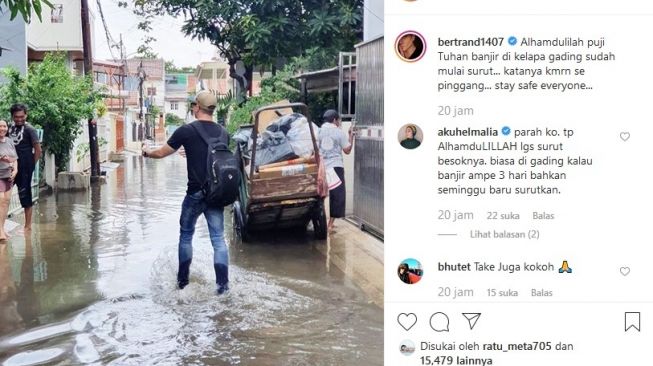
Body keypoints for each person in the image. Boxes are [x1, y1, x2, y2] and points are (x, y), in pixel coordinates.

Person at [142, 91, 230, 295]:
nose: (192, 108)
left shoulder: (186, 131)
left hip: (195, 195)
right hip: (216, 194)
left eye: (193, 105)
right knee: (218, 240)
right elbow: (218, 160)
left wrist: (146, 151)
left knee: (186, 236)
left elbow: (161, 153)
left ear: (197, 107)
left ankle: (182, 283)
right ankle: (223, 287)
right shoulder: (223, 133)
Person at [318, 110, 354, 233]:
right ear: (334, 120)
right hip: (335, 167)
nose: (339, 122)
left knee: (321, 194)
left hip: (322, 168)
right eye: (338, 120)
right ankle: (330, 224)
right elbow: (347, 150)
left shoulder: (319, 131)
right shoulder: (339, 132)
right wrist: (351, 135)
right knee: (337, 196)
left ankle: (322, 221)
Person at [8, 104, 41, 232]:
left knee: (25, 195)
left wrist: (31, 166)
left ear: (26, 115)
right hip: (9, 167)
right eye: (16, 117)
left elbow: (38, 150)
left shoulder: (30, 129)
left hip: (25, 167)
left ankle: (27, 226)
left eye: (22, 116)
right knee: (4, 196)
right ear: (12, 116)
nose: (19, 119)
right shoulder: (8, 128)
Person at [0, 120, 17, 241]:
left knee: (6, 202)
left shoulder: (10, 142)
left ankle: (2, 227)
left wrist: (15, 170)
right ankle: (0, 231)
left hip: (9, 175)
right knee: (1, 201)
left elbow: (15, 159)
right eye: (0, 126)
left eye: (4, 126)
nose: (2, 128)